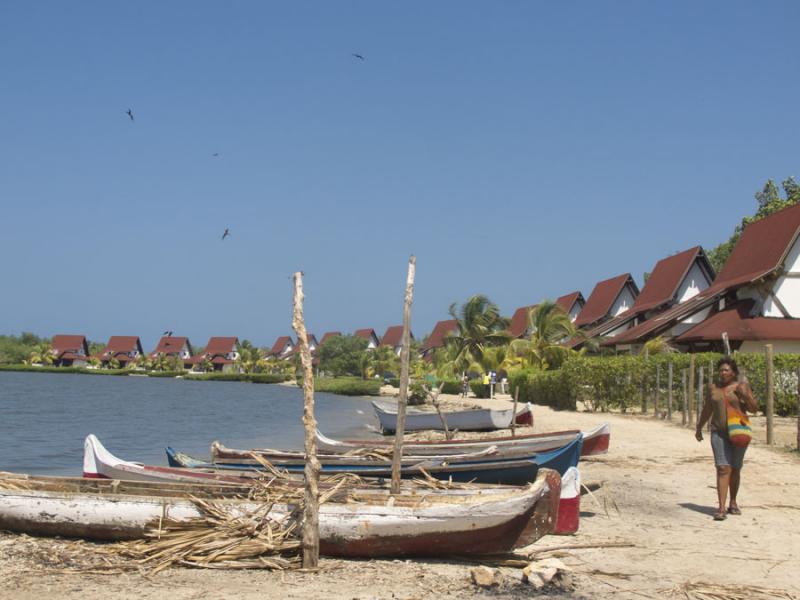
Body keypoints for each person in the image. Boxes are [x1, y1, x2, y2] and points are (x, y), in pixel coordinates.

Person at [695, 357, 757, 521]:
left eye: (726, 370)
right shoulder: (713, 388)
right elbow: (708, 408)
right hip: (719, 433)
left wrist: (746, 397)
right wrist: (699, 427)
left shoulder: (741, 386)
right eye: (721, 370)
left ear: (734, 372)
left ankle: (733, 502)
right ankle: (721, 508)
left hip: (739, 431)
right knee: (723, 468)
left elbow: (754, 409)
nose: (723, 373)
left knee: (735, 468)